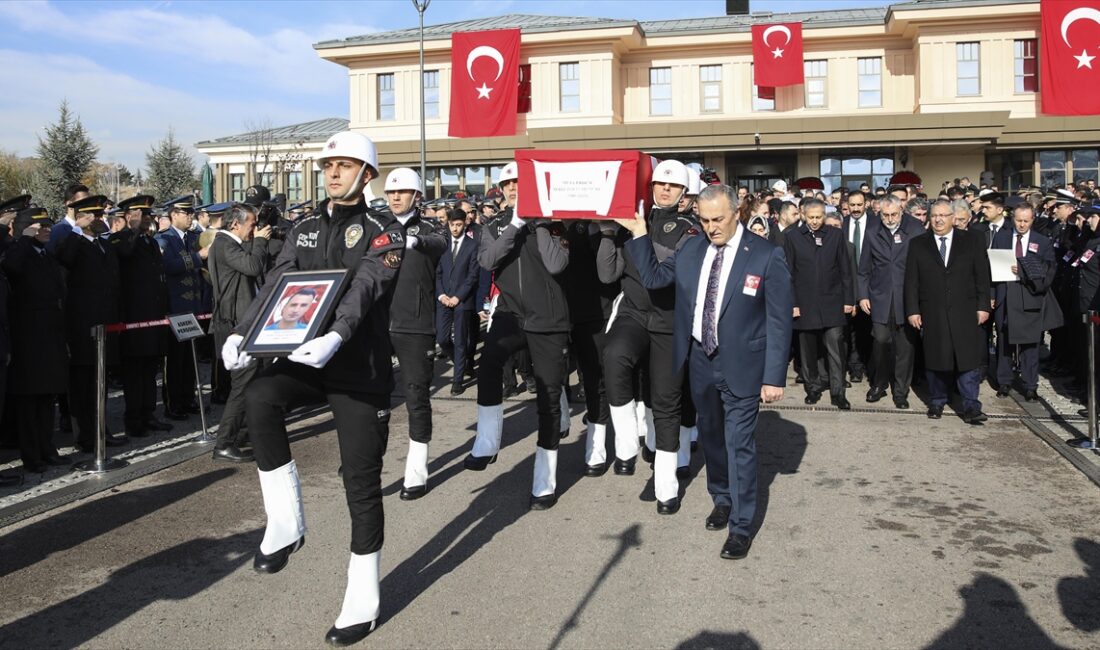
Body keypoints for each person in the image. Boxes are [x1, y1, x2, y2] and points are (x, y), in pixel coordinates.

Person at [221, 131, 405, 645]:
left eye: (345, 165)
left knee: (360, 482)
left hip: (357, 364)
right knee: (259, 397)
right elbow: (278, 284)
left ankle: (362, 597)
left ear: (367, 174)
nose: (333, 172)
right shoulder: (302, 228)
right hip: (306, 357)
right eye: (328, 165)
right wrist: (245, 333)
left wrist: (336, 334)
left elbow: (368, 283)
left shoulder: (385, 228)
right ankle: (286, 523)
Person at [619, 184, 792, 560]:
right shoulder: (692, 249)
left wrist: (774, 377)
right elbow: (653, 279)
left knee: (739, 443)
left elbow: (779, 322)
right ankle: (723, 497)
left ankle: (742, 526)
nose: (712, 227)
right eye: (704, 220)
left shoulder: (765, 255)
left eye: (718, 219)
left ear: (737, 212)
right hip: (700, 358)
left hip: (745, 364)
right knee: (711, 436)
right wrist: (638, 234)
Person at [465, 160, 572, 512]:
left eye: (519, 183)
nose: (513, 189)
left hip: (549, 317)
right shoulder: (495, 223)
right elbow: (487, 260)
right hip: (510, 312)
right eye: (508, 184)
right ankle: (486, 441)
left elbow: (557, 265)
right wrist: (514, 224)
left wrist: (539, 225)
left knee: (548, 391)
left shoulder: (554, 221)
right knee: (489, 365)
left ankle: (544, 479)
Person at [597, 159, 699, 514]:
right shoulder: (634, 220)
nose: (665, 190)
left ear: (684, 194)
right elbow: (608, 274)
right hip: (635, 313)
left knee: (666, 401)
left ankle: (666, 482)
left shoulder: (690, 231)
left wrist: (638, 234)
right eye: (659, 184)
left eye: (672, 186)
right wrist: (610, 235)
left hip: (670, 321)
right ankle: (626, 441)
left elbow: (659, 278)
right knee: (614, 355)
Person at [382, 167, 447, 501]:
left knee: (416, 396)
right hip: (379, 322)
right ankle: (368, 461)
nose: (395, 197)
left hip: (416, 324)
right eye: (391, 193)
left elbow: (440, 242)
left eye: (402, 192)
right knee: (371, 395)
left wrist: (414, 240)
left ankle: (416, 471)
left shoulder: (430, 227)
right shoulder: (378, 225)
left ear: (417, 196)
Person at [905, 199, 991, 424]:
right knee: (936, 357)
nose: (939, 220)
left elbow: (982, 276)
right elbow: (911, 281)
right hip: (932, 310)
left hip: (965, 309)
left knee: (968, 359)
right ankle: (937, 400)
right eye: (934, 216)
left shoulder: (972, 240)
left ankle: (971, 405)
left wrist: (983, 305)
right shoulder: (918, 244)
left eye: (943, 215)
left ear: (953, 218)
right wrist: (913, 310)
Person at [51, 194, 126, 451]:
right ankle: (84, 436)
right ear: (82, 217)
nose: (98, 219)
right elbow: (64, 261)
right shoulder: (71, 242)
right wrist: (76, 230)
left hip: (104, 325)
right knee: (82, 385)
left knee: (99, 383)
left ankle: (101, 431)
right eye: (93, 215)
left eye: (99, 215)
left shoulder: (102, 245)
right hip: (82, 327)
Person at [2, 207, 69, 472]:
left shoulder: (46, 257)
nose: (46, 230)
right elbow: (10, 266)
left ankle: (47, 448)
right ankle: (32, 455)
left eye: (48, 226)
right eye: (39, 227)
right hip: (28, 339)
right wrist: (23, 239)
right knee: (30, 401)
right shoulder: (20, 253)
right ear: (26, 229)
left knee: (46, 398)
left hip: (50, 335)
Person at [208, 202, 271, 462]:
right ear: (235, 224)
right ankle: (223, 442)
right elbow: (253, 266)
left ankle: (244, 432)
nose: (254, 230)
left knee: (255, 380)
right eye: (251, 225)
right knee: (242, 384)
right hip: (233, 325)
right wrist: (260, 242)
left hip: (243, 322)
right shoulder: (223, 244)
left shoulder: (230, 243)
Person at [110, 195, 173, 439]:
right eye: (142, 216)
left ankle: (148, 414)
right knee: (134, 373)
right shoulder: (119, 238)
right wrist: (133, 229)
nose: (148, 220)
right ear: (128, 216)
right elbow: (124, 253)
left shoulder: (148, 242)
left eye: (148, 216)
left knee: (149, 371)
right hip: (133, 319)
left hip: (153, 317)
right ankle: (134, 420)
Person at [784, 199, 854, 409]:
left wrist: (849, 300)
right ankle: (812, 388)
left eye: (819, 217)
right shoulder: (792, 237)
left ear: (824, 215)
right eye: (811, 217)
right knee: (808, 350)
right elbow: (788, 273)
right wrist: (792, 302)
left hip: (832, 301)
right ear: (803, 215)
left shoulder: (835, 235)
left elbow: (845, 269)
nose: (815, 221)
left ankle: (838, 391)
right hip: (804, 303)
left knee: (835, 347)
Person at [859, 195, 925, 409]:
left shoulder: (915, 230)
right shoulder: (872, 232)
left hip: (907, 299)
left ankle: (900, 391)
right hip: (880, 298)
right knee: (880, 341)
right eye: (885, 215)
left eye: (894, 214)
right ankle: (878, 383)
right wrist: (863, 296)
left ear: (902, 210)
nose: (889, 218)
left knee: (905, 347)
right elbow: (864, 270)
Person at [990, 204, 1062, 401]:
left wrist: (1024, 271)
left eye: (1026, 221)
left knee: (1030, 343)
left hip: (1030, 295)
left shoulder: (1042, 241)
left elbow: (1049, 269)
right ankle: (1004, 381)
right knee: (1004, 340)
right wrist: (992, 294)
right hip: (1005, 293)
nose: (1021, 224)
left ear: (1032, 220)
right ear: (1013, 218)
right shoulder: (1002, 237)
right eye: (1018, 220)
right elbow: (991, 266)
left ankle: (1030, 384)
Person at [155, 196, 203, 421]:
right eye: (186, 213)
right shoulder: (165, 239)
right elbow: (168, 266)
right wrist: (197, 258)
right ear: (174, 215)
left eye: (192, 213)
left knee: (189, 357)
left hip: (192, 306)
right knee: (174, 360)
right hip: (175, 307)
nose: (190, 217)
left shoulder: (192, 237)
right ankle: (173, 403)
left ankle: (188, 397)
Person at [436, 207, 480, 397]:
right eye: (452, 224)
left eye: (458, 224)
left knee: (461, 340)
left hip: (462, 300)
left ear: (465, 224)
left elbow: (472, 276)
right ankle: (461, 363)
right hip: (444, 298)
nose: (454, 228)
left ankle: (458, 380)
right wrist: (441, 295)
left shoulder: (472, 245)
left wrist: (458, 297)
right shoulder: (442, 244)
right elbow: (436, 273)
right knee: (442, 338)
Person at [843, 191, 873, 383]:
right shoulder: (842, 224)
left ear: (866, 204)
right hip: (848, 283)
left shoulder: (876, 224)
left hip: (871, 285)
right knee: (850, 330)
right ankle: (855, 367)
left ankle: (868, 365)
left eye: (859, 205)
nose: (855, 209)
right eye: (852, 205)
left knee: (868, 329)